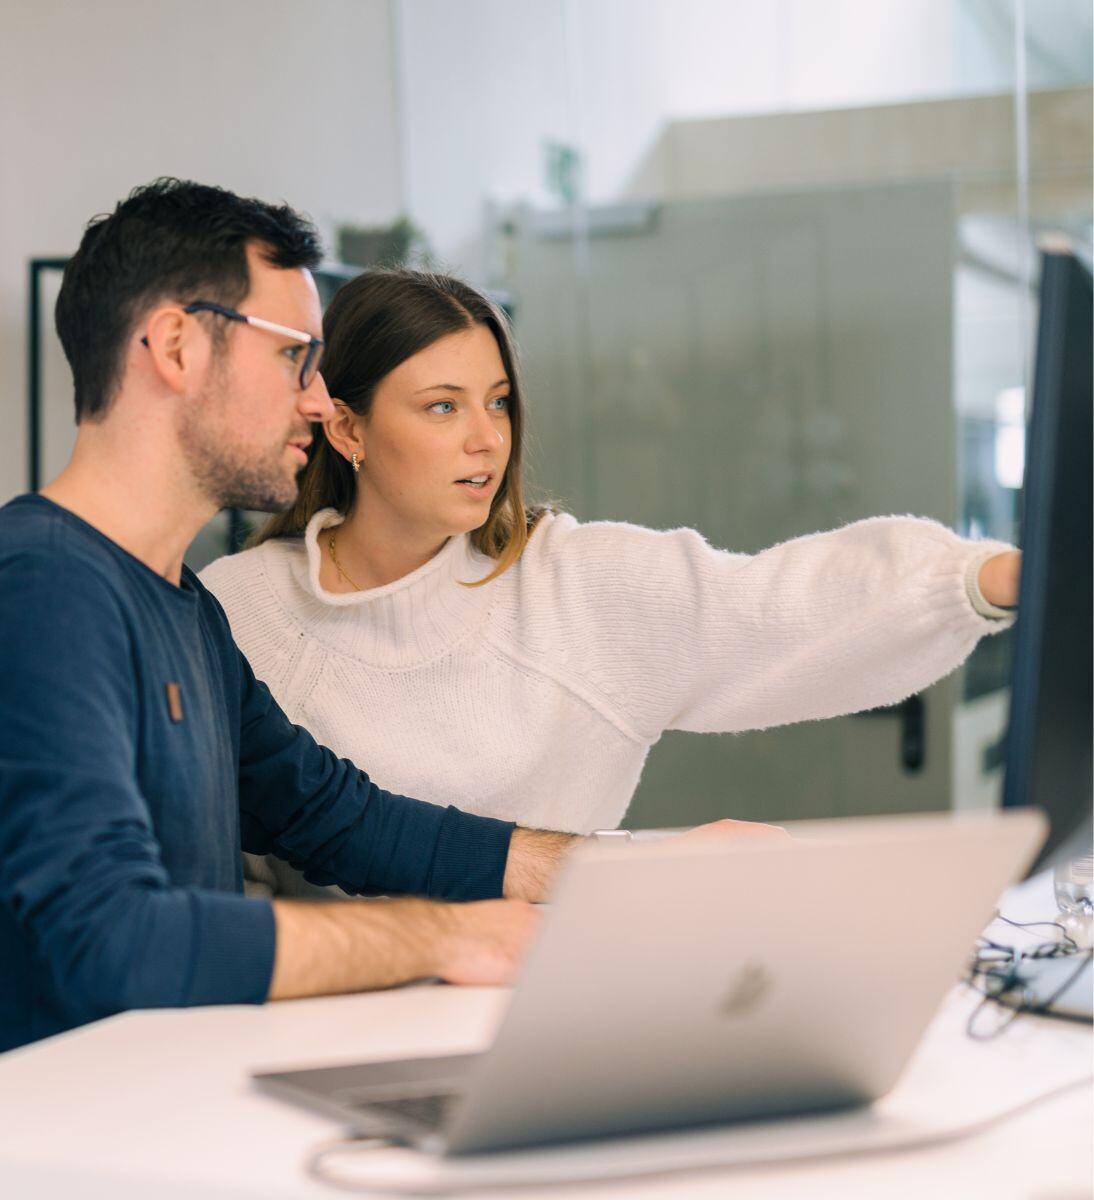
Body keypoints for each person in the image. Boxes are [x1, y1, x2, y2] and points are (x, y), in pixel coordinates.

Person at [1, 180, 759, 1055]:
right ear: (176, 347)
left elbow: (341, 819)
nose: (320, 403)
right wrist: (446, 936)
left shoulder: (184, 610)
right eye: (294, 358)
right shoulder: (42, 590)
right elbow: (112, 940)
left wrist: (624, 865)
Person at [199, 268, 1021, 901]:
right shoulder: (240, 612)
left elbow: (781, 606)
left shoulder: (570, 585)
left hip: (560, 1011)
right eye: (442, 408)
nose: (487, 439)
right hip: (317, 1039)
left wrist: (985, 579)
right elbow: (219, 893)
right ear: (346, 427)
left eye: (499, 403)